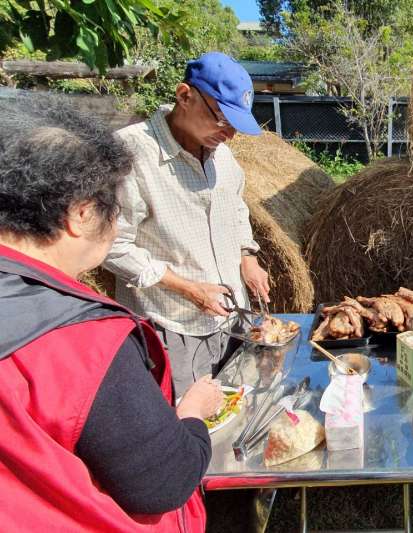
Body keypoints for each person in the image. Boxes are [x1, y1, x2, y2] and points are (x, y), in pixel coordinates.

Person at [0, 92, 223, 531]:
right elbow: (164, 480)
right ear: (81, 214)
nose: (117, 223)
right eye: (114, 210)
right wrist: (192, 413)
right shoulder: (78, 342)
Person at [104, 52, 271, 396]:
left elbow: (235, 207)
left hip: (231, 318)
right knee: (187, 423)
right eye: (222, 119)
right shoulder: (130, 154)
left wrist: (246, 256)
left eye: (235, 126)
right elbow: (112, 245)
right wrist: (187, 288)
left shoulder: (222, 155)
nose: (229, 135)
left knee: (235, 408)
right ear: (184, 96)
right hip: (174, 326)